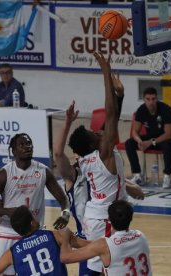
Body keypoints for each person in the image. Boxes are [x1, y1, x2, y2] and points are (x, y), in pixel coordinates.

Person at [54, 100, 145, 276]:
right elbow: (58, 153)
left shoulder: (100, 172)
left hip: (105, 232)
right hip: (86, 237)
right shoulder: (74, 176)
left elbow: (132, 188)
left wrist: (131, 188)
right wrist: (67, 122)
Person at [66, 52, 129, 275]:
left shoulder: (91, 156)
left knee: (101, 263)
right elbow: (111, 116)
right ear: (93, 144)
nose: (97, 131)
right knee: (107, 267)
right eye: (94, 133)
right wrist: (105, 70)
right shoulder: (103, 154)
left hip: (98, 215)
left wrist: (119, 95)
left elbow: (111, 120)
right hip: (104, 218)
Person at [0, 133, 70, 276]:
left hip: (34, 231)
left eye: (29, 143)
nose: (27, 147)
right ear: (13, 151)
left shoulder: (43, 171)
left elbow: (63, 199)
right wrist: (7, 211)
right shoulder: (4, 174)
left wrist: (65, 214)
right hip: (8, 232)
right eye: (22, 145)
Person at [0, 205, 89, 276]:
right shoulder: (54, 235)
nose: (35, 216)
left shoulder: (11, 253)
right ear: (31, 223)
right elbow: (86, 245)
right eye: (33, 216)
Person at [60, 200, 152, 276]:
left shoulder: (104, 245)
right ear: (131, 218)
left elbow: (65, 257)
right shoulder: (141, 236)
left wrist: (66, 233)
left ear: (108, 219)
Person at [125, 87, 171, 188]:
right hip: (150, 138)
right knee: (129, 143)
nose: (151, 102)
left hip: (164, 139)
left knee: (167, 145)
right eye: (148, 99)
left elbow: (168, 134)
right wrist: (139, 141)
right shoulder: (141, 110)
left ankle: (167, 176)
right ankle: (137, 175)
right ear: (144, 99)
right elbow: (135, 131)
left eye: (153, 99)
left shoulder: (166, 110)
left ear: (157, 99)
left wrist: (150, 142)